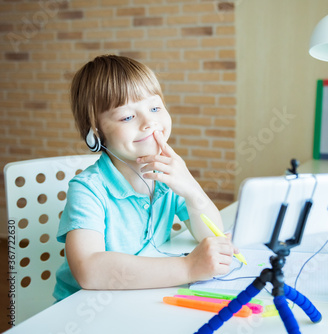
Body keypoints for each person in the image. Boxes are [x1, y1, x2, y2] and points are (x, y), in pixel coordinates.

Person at [53, 55, 235, 301]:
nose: (150, 122)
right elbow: (89, 269)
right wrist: (188, 267)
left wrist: (192, 189)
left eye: (155, 108)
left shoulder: (166, 174)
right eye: (127, 117)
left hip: (142, 294)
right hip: (87, 307)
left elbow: (210, 235)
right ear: (95, 133)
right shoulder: (89, 188)